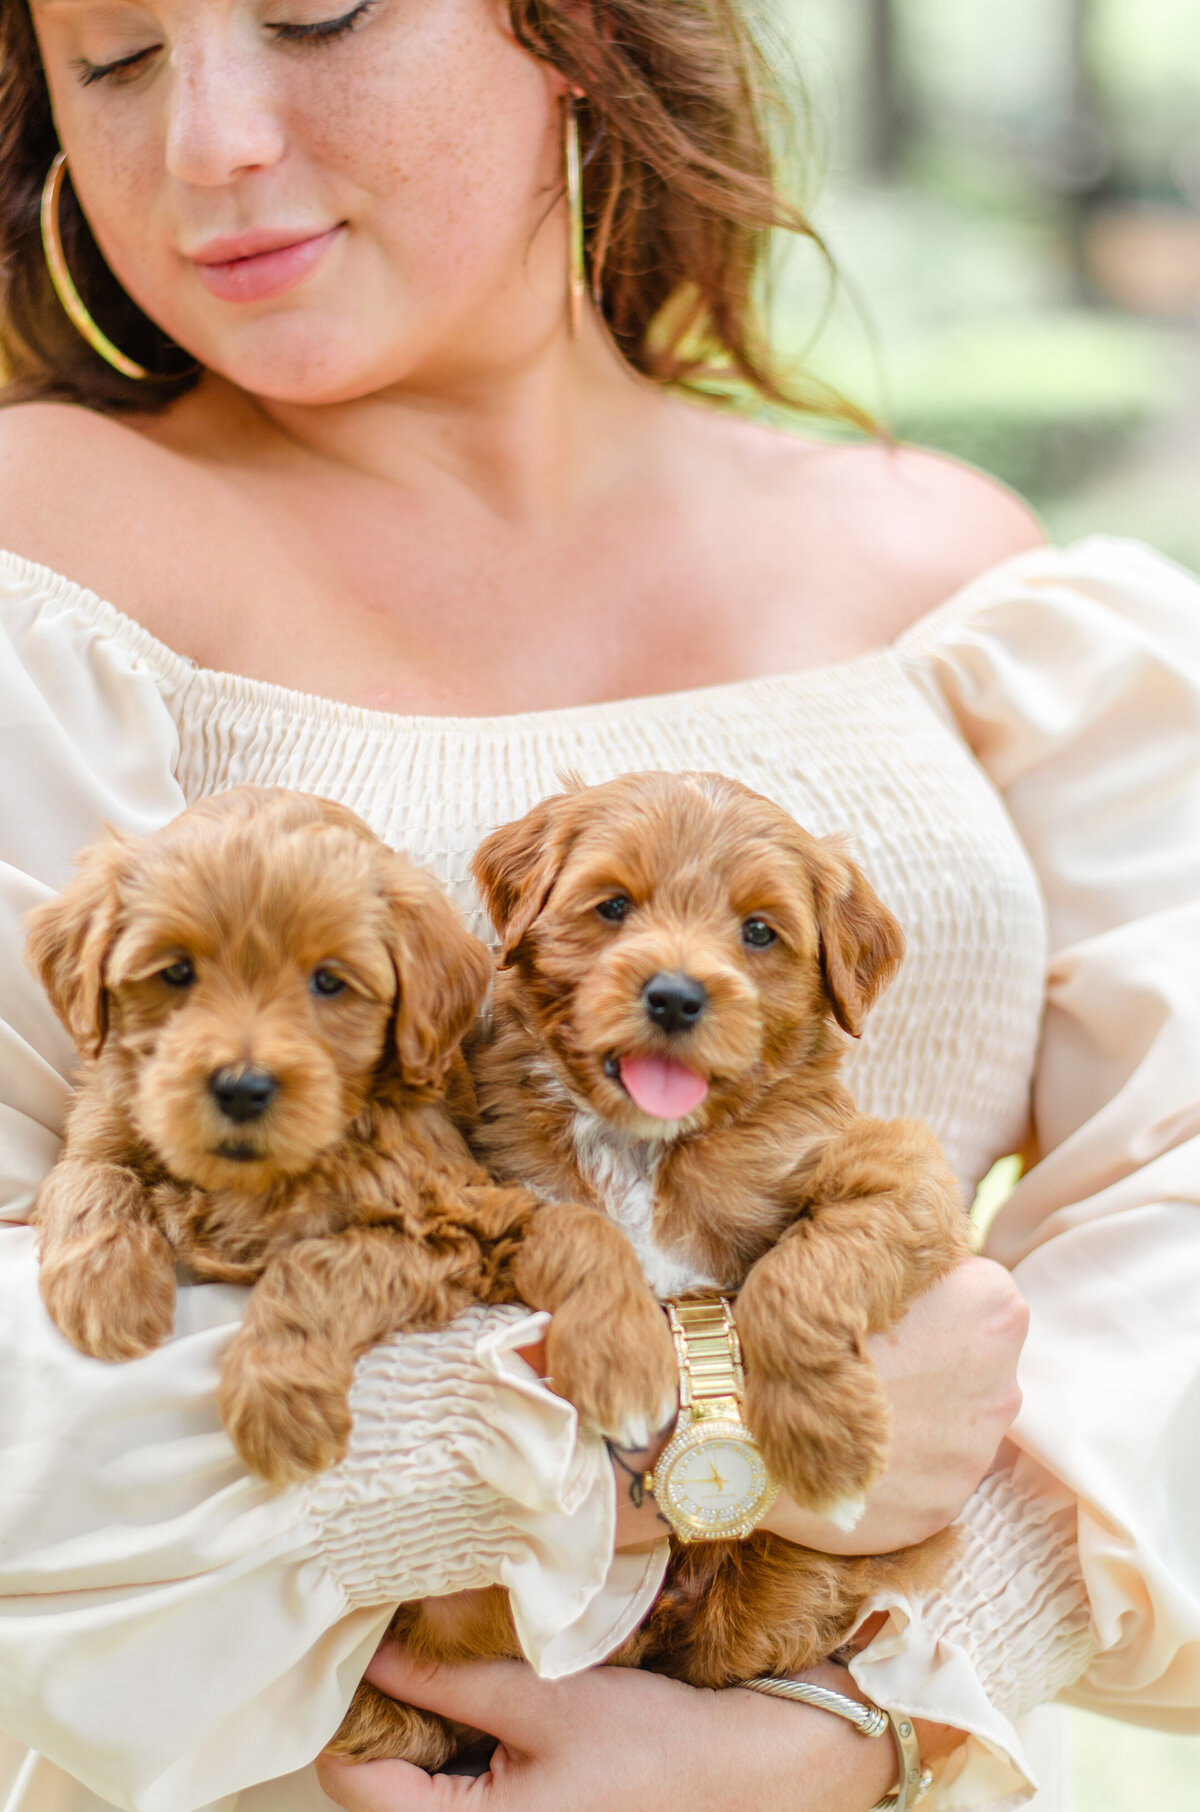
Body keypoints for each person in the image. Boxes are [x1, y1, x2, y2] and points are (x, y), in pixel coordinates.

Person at [0, 0, 1196, 1809]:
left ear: (572, 31)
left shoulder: (963, 585)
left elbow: (1180, 1211)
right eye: (114, 59)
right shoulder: (44, 565)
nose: (210, 144)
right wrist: (636, 1445)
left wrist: (878, 1713)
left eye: (315, 10)